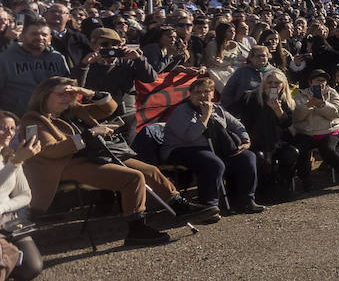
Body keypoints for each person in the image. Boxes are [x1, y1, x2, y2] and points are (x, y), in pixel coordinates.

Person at [22, 78, 213, 243]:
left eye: (69, 94)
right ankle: (137, 229)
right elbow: (49, 152)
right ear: (45, 95)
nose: (67, 98)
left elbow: (109, 107)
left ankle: (179, 205)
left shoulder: (74, 110)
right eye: (61, 94)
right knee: (133, 178)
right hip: (62, 165)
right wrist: (89, 134)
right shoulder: (33, 120)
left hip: (95, 155)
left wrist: (86, 92)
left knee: (149, 170)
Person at [163, 75, 265, 216]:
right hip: (183, 149)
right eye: (198, 92)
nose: (202, 95)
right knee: (213, 163)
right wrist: (204, 117)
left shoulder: (217, 109)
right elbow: (189, 137)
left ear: (212, 93)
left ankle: (246, 200)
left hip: (214, 147)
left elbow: (237, 125)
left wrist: (245, 140)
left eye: (206, 91)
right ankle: (208, 206)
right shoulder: (181, 111)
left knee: (247, 157)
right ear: (191, 94)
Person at [238, 68, 300, 198]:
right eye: (269, 82)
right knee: (260, 158)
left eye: (277, 83)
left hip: (277, 141)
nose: (273, 86)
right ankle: (262, 189)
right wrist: (265, 107)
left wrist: (279, 111)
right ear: (263, 83)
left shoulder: (285, 101)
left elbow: (286, 124)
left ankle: (283, 186)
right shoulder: (251, 97)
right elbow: (246, 122)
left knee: (292, 153)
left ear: (283, 85)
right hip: (256, 141)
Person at [290, 68, 339, 189]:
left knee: (328, 149)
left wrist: (322, 105)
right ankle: (305, 180)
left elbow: (337, 111)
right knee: (299, 150)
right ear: (310, 82)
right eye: (317, 80)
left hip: (329, 132)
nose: (321, 83)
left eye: (323, 80)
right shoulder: (300, 96)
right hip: (306, 132)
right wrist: (308, 106)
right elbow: (296, 117)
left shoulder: (332, 93)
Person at [0, 111, 43, 281]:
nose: (9, 133)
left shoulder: (9, 155)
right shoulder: (14, 159)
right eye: (2, 128)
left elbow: (25, 195)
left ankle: (6, 257)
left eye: (12, 128)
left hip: (6, 217)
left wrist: (4, 207)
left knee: (32, 268)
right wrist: (16, 162)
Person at [0, 19, 72, 116]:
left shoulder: (57, 58)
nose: (39, 37)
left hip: (51, 119)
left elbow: (68, 88)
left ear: (50, 38)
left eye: (44, 35)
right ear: (21, 37)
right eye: (34, 34)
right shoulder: (5, 58)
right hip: (17, 119)